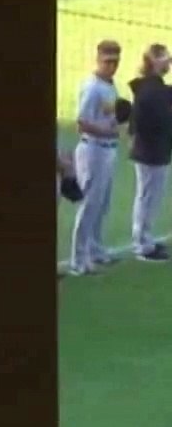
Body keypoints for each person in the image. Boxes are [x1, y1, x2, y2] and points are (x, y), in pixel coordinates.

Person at [70, 40, 124, 275]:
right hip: (92, 150)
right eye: (107, 61)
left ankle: (95, 249)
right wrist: (107, 131)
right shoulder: (92, 88)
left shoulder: (110, 85)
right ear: (98, 59)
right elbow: (81, 123)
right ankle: (78, 260)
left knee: (103, 204)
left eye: (115, 62)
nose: (112, 66)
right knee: (90, 204)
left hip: (107, 150)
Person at [128, 43, 172, 262]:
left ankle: (146, 239)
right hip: (150, 152)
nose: (169, 62)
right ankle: (142, 245)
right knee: (147, 198)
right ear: (153, 61)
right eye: (165, 58)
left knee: (151, 199)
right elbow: (148, 122)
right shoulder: (151, 90)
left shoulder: (154, 88)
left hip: (155, 151)